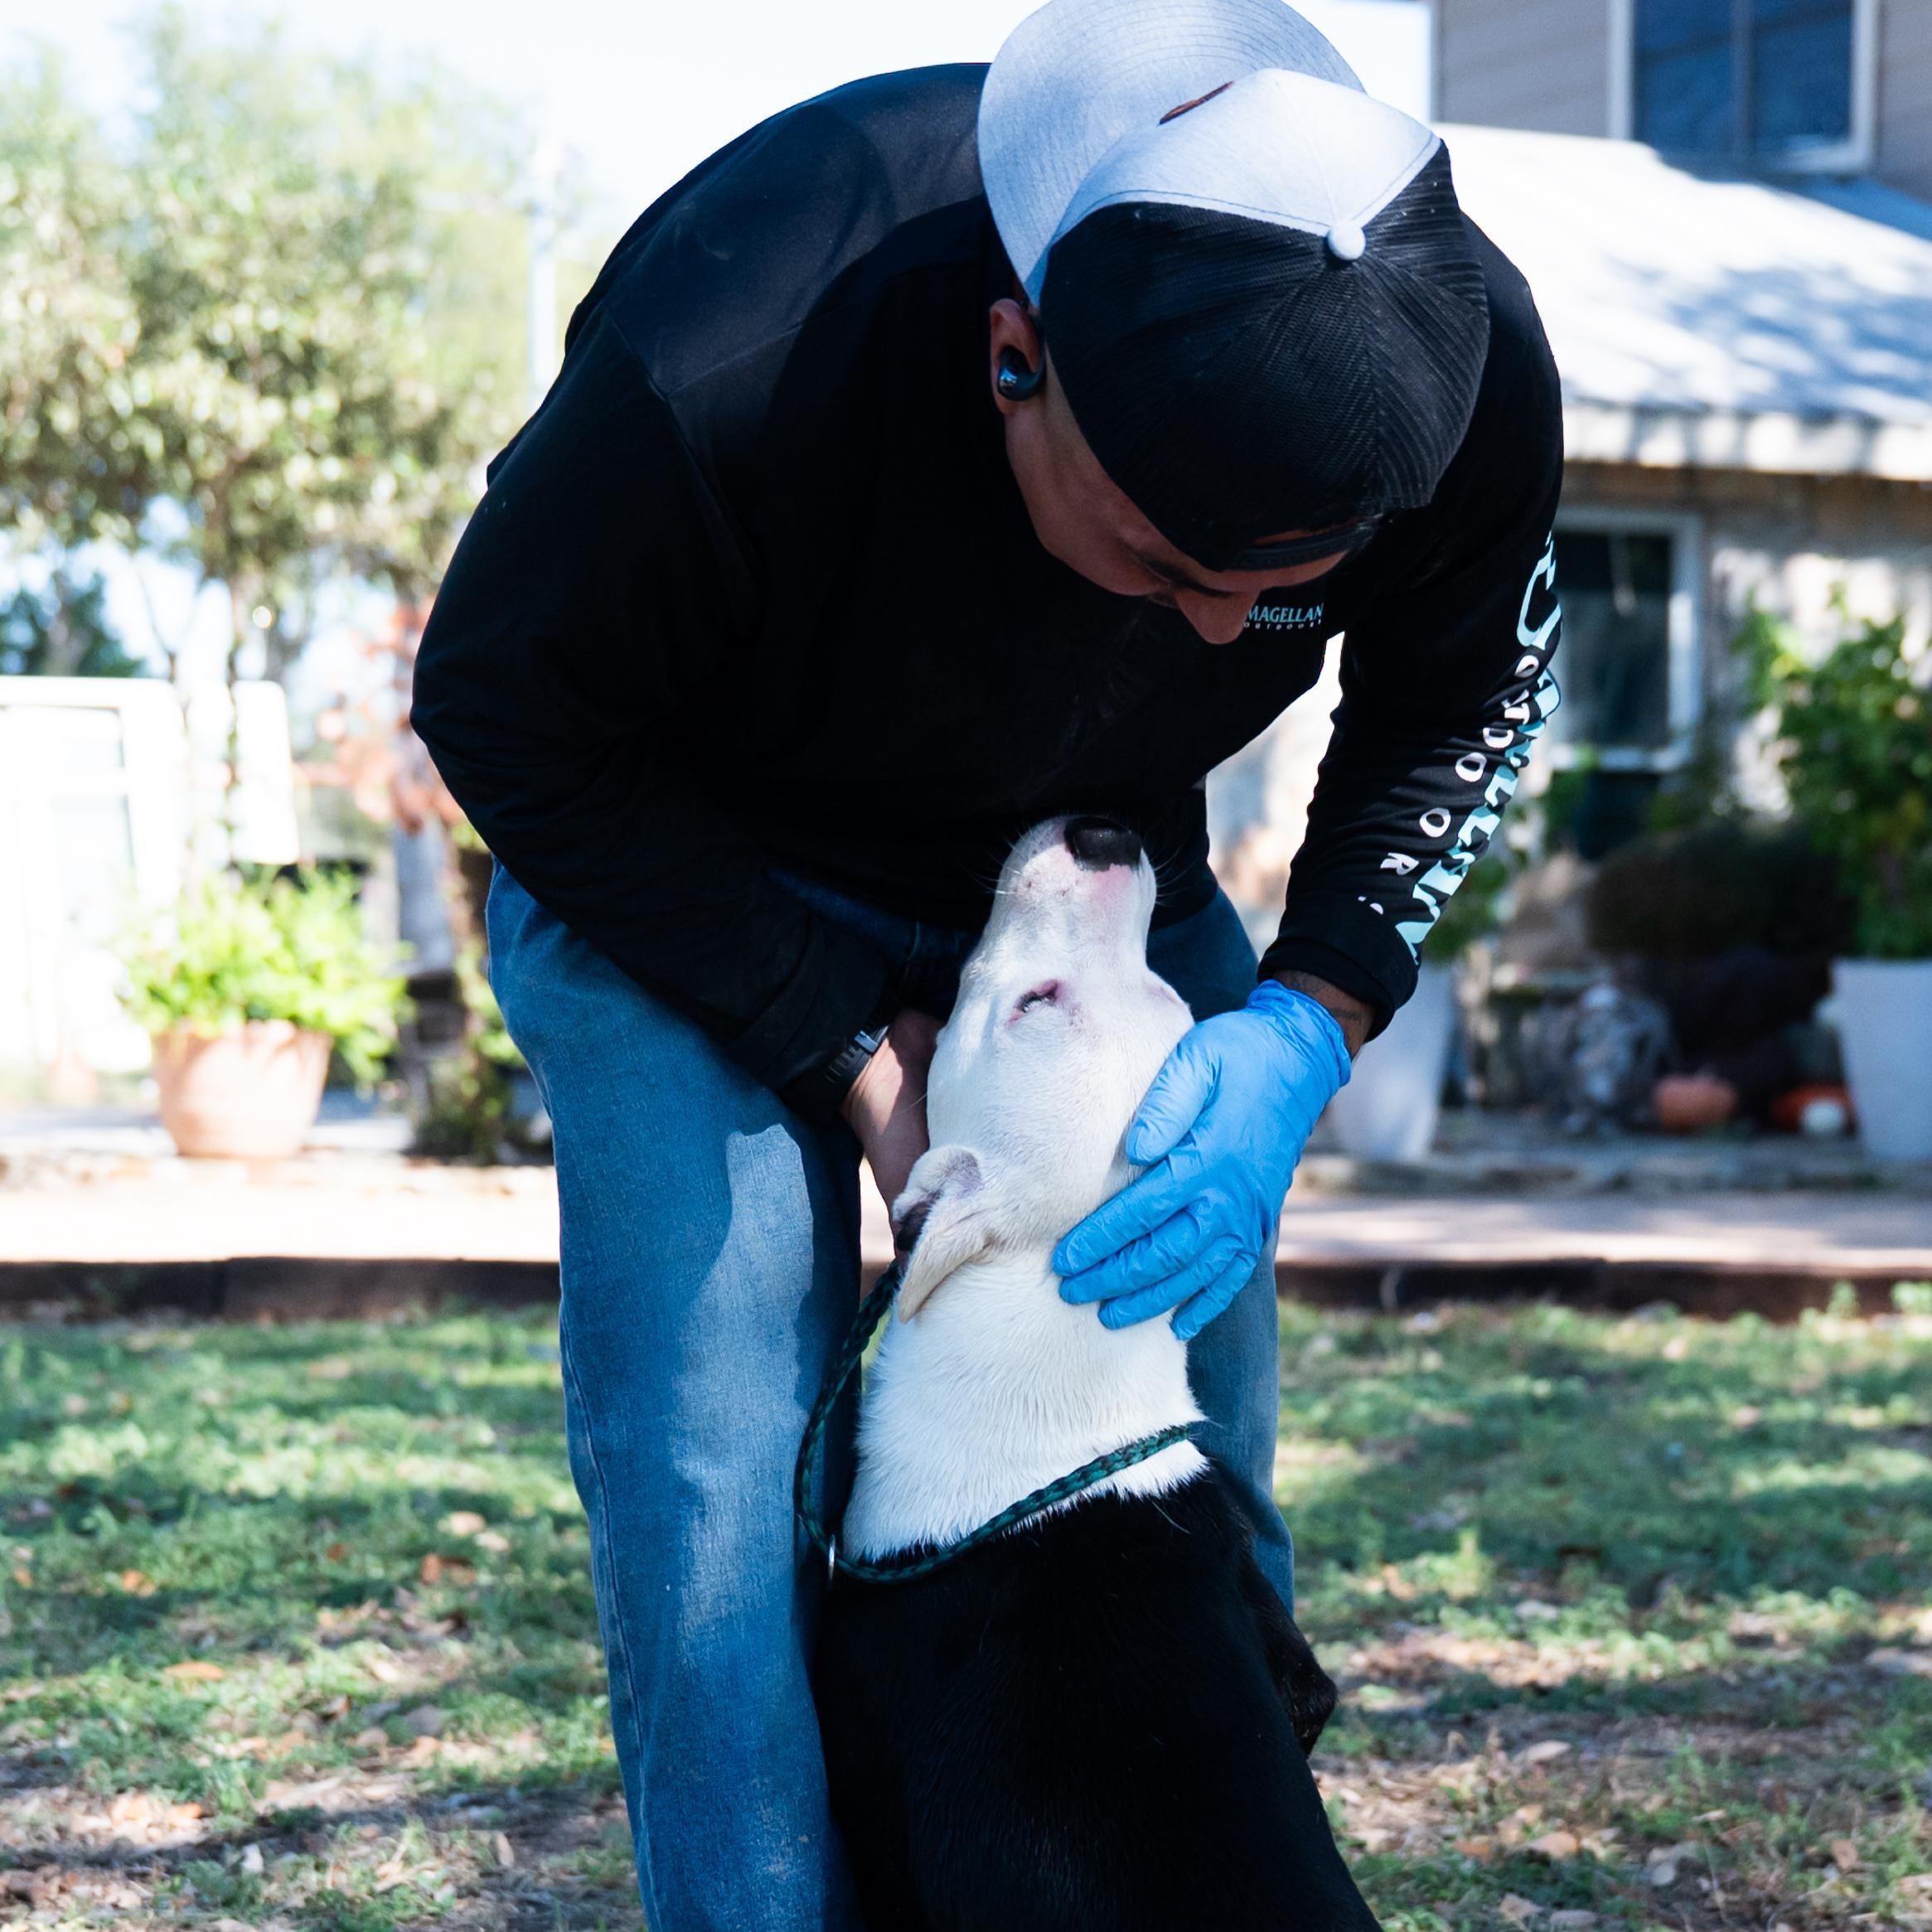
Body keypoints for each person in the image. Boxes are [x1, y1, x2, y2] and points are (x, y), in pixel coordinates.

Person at [410, 0, 1562, 1923]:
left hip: (1085, 880)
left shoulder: (1434, 353)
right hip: (696, 855)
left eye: (1277, 591)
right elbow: (505, 710)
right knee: (718, 1469)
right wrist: (866, 1069)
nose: (1217, 636)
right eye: (1164, 555)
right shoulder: (738, 340)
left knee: (1183, 1466)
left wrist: (1304, 1014)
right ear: (1013, 362)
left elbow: (1454, 707)